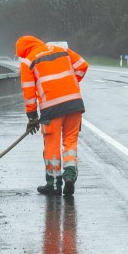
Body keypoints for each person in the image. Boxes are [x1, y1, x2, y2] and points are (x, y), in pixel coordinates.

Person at [16, 36, 89, 197]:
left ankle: (54, 185)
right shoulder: (61, 50)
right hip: (74, 103)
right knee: (70, 142)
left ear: (24, 51)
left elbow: (28, 92)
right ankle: (70, 174)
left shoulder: (28, 61)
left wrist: (32, 117)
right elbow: (82, 66)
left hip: (51, 108)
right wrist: (68, 84)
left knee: (52, 145)